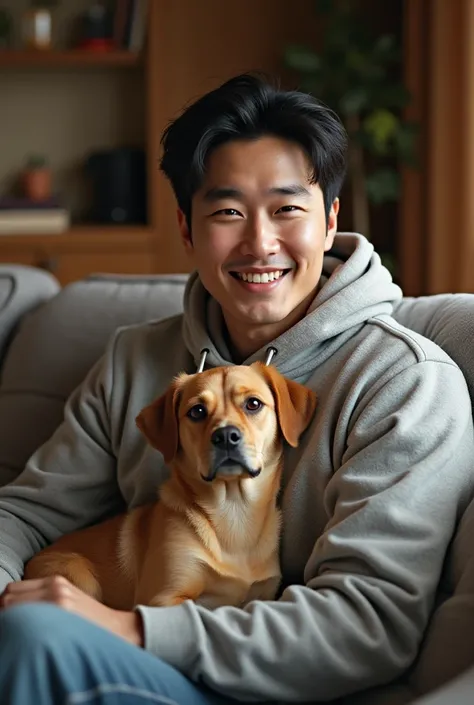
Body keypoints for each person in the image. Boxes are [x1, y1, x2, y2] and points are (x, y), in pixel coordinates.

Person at [0, 73, 472, 705]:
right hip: (134, 650)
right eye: (227, 212)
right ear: (188, 230)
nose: (259, 243)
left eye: (287, 209)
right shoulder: (132, 360)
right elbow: (28, 514)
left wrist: (134, 627)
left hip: (274, 679)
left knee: (36, 640)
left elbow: (369, 623)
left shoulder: (404, 382)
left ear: (330, 221)